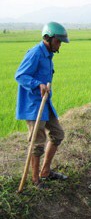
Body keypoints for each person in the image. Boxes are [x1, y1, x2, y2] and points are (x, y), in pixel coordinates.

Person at [15, 22, 70, 189]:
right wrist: (37, 84)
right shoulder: (35, 53)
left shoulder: (48, 54)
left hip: (46, 104)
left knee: (58, 134)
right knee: (37, 143)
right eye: (58, 41)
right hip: (34, 106)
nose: (59, 45)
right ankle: (35, 179)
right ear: (48, 38)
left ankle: (45, 172)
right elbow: (20, 75)